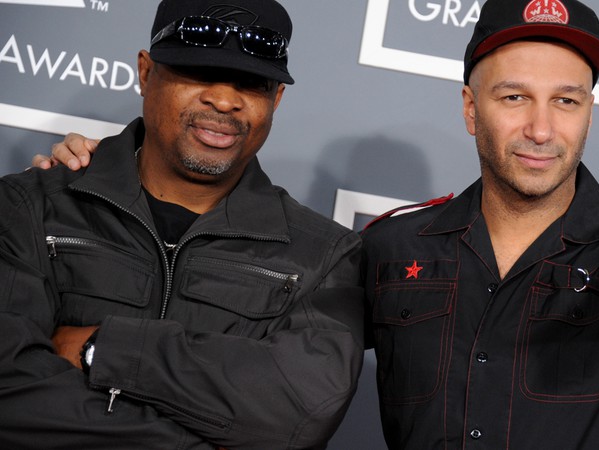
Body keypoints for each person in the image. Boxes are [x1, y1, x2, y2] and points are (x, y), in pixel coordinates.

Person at [37, 0, 599, 449]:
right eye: (513, 97)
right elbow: (262, 349)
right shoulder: (390, 245)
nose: (540, 128)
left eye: (567, 100)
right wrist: (108, 172)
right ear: (469, 108)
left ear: (589, 112)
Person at [1, 0, 364, 449]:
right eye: (200, 73)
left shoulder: (323, 256)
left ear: (276, 99)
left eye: (251, 84)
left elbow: (298, 418)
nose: (225, 100)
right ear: (146, 72)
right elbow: (10, 389)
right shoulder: (29, 205)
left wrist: (105, 348)